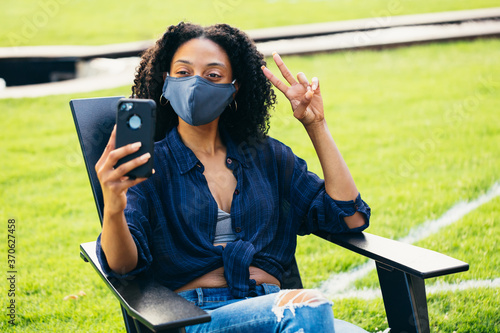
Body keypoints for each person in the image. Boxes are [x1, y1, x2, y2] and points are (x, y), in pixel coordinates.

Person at [95, 22, 371, 332]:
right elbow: (122, 265)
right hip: (197, 317)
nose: (196, 84)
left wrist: (315, 124)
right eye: (183, 73)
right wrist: (113, 204)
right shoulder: (148, 165)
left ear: (234, 88)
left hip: (274, 310)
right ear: (166, 81)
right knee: (308, 308)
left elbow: (350, 218)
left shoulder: (268, 157)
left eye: (213, 75)